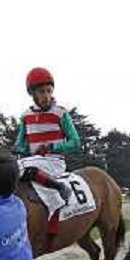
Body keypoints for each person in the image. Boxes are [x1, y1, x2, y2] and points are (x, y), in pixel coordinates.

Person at [14, 67, 81, 204]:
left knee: (21, 168)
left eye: (49, 91)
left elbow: (75, 141)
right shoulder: (25, 116)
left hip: (54, 162)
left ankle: (61, 187)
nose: (46, 96)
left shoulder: (60, 113)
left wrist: (52, 147)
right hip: (34, 161)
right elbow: (20, 145)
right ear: (33, 94)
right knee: (10, 168)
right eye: (41, 92)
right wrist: (16, 149)